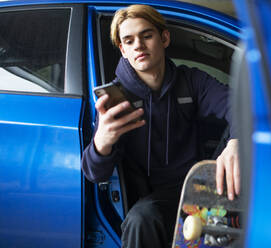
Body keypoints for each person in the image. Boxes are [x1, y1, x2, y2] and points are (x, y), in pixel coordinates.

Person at [81, 4, 240, 248]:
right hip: (152, 200)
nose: (139, 46)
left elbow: (240, 105)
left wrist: (236, 141)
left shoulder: (192, 81)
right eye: (129, 41)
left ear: (164, 38)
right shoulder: (115, 100)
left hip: (198, 188)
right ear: (123, 50)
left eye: (146, 35)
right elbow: (94, 174)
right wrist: (102, 143)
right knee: (141, 219)